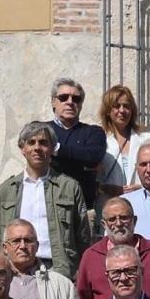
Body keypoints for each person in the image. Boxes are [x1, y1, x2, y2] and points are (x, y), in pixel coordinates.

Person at [0, 121, 88, 275]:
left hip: (58, 269)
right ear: (22, 149)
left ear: (52, 149)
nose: (37, 147)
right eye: (31, 142)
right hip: (18, 270)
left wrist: (79, 270)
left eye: (43, 143)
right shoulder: (7, 190)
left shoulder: (69, 187)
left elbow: (82, 235)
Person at [76, 196, 150, 299]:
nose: (118, 223)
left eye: (124, 218)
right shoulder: (91, 256)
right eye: (112, 219)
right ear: (104, 224)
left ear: (134, 221)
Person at [46, 77, 107, 208]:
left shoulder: (93, 132)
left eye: (76, 99)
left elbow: (94, 156)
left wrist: (56, 149)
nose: (70, 102)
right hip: (48, 205)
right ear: (53, 102)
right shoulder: (41, 130)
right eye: (63, 97)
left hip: (82, 208)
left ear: (81, 104)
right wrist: (81, 162)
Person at [94, 84, 150, 203]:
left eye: (126, 106)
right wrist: (105, 188)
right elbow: (94, 179)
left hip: (141, 203)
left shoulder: (147, 140)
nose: (122, 111)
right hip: (110, 204)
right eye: (117, 106)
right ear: (108, 111)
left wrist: (142, 187)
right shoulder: (100, 141)